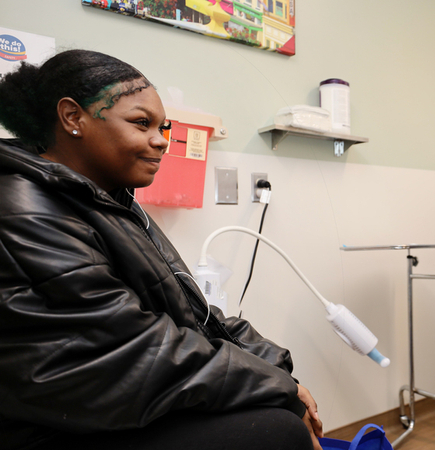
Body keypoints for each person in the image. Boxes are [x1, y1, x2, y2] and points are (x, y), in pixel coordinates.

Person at [0, 50, 323, 450]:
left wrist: (277, 368)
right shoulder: (25, 209)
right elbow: (131, 350)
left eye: (163, 127)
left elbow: (194, 314)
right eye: (142, 124)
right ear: (72, 118)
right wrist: (276, 385)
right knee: (277, 427)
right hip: (51, 425)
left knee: (282, 409)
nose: (161, 141)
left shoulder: (112, 203)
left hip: (114, 398)